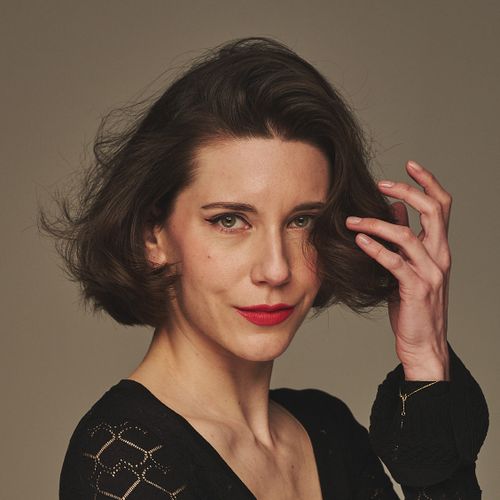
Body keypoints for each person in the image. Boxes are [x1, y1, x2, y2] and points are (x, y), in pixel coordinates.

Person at [40, 37, 489, 499]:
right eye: (229, 220)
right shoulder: (124, 458)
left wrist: (426, 359)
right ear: (153, 236)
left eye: (301, 221)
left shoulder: (327, 428)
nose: (276, 269)